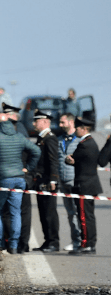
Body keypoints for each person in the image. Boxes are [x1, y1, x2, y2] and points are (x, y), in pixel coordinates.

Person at [0, 112, 41, 254]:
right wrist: (28, 168)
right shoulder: (19, 136)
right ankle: (13, 245)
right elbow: (36, 151)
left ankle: (0, 243)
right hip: (19, 179)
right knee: (15, 213)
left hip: (2, 179)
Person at [65, 117, 102, 254]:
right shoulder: (91, 142)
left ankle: (86, 244)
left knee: (84, 216)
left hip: (84, 185)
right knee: (89, 215)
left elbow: (72, 159)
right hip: (90, 184)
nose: (76, 130)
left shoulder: (85, 144)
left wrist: (69, 159)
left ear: (84, 129)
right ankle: (89, 243)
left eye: (78, 128)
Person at [1, 103, 32, 253]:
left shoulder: (17, 130)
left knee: (18, 211)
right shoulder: (19, 129)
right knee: (19, 211)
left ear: (13, 116)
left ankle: (20, 244)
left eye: (7, 114)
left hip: (18, 175)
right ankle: (21, 244)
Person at [31, 109, 61, 252]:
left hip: (48, 182)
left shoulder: (50, 138)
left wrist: (53, 180)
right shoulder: (41, 138)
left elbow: (53, 161)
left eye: (36, 121)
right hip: (40, 181)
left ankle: (54, 242)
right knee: (43, 213)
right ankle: (47, 240)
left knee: (49, 213)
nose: (34, 123)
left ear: (44, 122)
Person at [57, 113, 82, 251]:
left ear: (71, 122)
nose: (60, 125)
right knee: (70, 213)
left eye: (62, 122)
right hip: (63, 181)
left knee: (78, 213)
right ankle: (75, 240)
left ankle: (82, 241)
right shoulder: (60, 139)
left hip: (75, 180)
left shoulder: (79, 140)